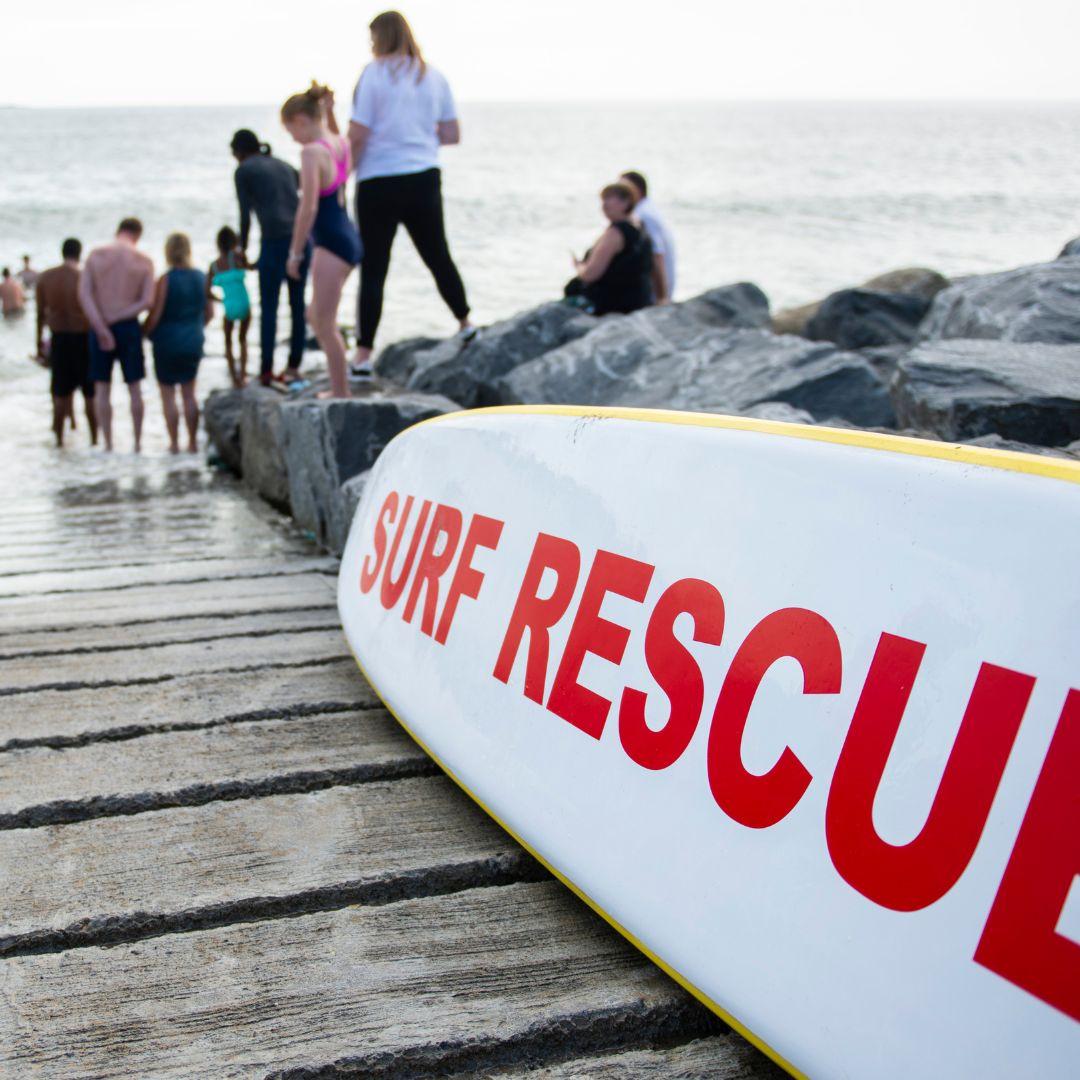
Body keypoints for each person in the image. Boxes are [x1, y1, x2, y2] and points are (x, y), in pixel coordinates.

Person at [347, 9, 473, 379]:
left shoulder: (373, 75)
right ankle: (466, 322)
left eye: (372, 38)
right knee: (437, 254)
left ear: (381, 37)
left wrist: (339, 177)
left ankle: (364, 355)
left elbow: (358, 134)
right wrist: (418, 136)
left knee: (374, 268)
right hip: (423, 176)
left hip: (378, 179)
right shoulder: (433, 76)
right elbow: (451, 134)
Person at [282, 83, 363, 399]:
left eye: (291, 131)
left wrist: (295, 253)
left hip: (330, 243)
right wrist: (330, 109)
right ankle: (339, 385)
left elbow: (308, 206)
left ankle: (341, 393)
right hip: (347, 237)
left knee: (324, 323)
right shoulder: (338, 142)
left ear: (301, 119)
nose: (293, 139)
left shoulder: (311, 152)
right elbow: (334, 128)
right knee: (316, 316)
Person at [231, 128, 310, 386]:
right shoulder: (284, 165)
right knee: (297, 305)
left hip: (274, 242)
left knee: (269, 308)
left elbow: (245, 215)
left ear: (239, 151)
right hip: (300, 240)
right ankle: (294, 365)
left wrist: (242, 250)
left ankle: (266, 369)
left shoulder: (244, 171)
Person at [78, 217, 155, 452]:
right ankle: (138, 444)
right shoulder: (143, 260)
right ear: (137, 235)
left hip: (99, 324)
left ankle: (108, 445)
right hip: (128, 326)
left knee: (102, 389)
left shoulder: (96, 255)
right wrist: (119, 315)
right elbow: (147, 301)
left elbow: (84, 295)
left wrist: (101, 326)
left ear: (118, 230)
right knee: (134, 387)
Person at [145, 233, 211, 454]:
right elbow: (209, 313)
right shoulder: (202, 277)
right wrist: (195, 327)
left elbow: (155, 316)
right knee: (189, 393)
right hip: (193, 338)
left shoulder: (165, 280)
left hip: (167, 341)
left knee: (168, 394)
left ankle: (174, 443)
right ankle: (192, 443)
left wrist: (143, 332)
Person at [35, 238, 98, 448]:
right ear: (79, 253)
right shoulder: (84, 277)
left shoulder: (46, 277)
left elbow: (39, 315)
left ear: (62, 253)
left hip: (59, 338)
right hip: (83, 338)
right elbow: (95, 312)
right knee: (90, 394)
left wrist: (38, 345)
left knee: (60, 394)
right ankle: (95, 441)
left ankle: (59, 443)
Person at [565, 182, 654, 316]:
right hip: (638, 300)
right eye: (603, 199)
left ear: (626, 203)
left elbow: (591, 274)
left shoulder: (616, 233)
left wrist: (579, 267)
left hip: (614, 303)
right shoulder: (640, 228)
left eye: (609, 199)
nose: (604, 204)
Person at [620, 170, 676, 304]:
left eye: (623, 190)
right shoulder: (648, 210)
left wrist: (662, 298)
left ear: (636, 190)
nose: (619, 193)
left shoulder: (643, 215)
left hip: (652, 295)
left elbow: (657, 255)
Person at [208, 225, 252, 387]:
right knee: (242, 339)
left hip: (229, 305)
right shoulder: (238, 258)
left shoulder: (215, 266)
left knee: (228, 342)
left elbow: (207, 291)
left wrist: (221, 300)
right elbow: (250, 267)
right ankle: (244, 375)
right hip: (244, 302)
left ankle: (234, 378)